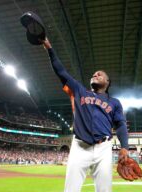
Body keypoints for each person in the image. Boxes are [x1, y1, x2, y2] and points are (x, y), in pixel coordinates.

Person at [42, 38, 129, 192]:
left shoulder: (114, 102)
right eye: (94, 74)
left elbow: (121, 124)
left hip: (104, 148)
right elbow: (61, 71)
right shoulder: (79, 91)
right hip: (80, 146)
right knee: (70, 190)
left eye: (100, 74)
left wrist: (125, 147)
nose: (95, 74)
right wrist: (49, 48)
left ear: (108, 82)